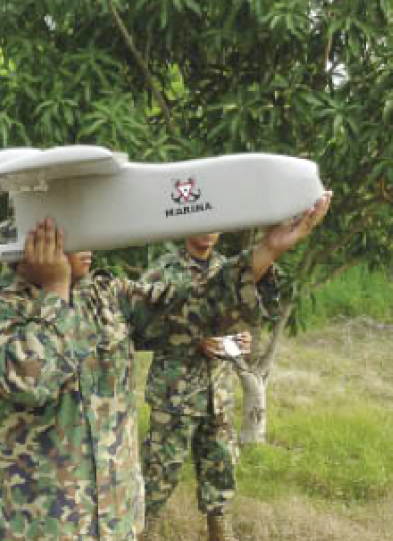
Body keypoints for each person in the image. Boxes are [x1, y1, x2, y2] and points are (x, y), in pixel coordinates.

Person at [0, 193, 329, 541]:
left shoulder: (106, 296)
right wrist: (56, 290)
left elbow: (193, 309)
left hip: (115, 521)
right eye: (76, 236)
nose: (91, 247)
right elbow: (30, 379)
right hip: (38, 526)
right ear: (36, 243)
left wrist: (267, 251)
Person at [140, 193, 331, 541]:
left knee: (220, 476)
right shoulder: (162, 270)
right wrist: (194, 339)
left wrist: (242, 340)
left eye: (214, 224)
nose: (207, 232)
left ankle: (221, 533)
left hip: (218, 395)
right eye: (198, 223)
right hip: (175, 397)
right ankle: (144, 532)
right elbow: (145, 328)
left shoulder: (230, 269)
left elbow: (254, 315)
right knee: (157, 476)